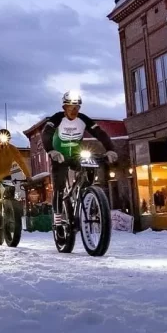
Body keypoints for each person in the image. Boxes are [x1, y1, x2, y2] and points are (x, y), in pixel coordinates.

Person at [41, 91, 118, 230]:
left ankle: (86, 193)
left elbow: (100, 133)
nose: (74, 110)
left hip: (77, 156)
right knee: (59, 188)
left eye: (77, 107)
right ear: (64, 107)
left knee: (90, 167)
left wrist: (110, 149)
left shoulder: (83, 119)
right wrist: (51, 150)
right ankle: (58, 220)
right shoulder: (57, 118)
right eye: (71, 107)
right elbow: (46, 133)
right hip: (59, 156)